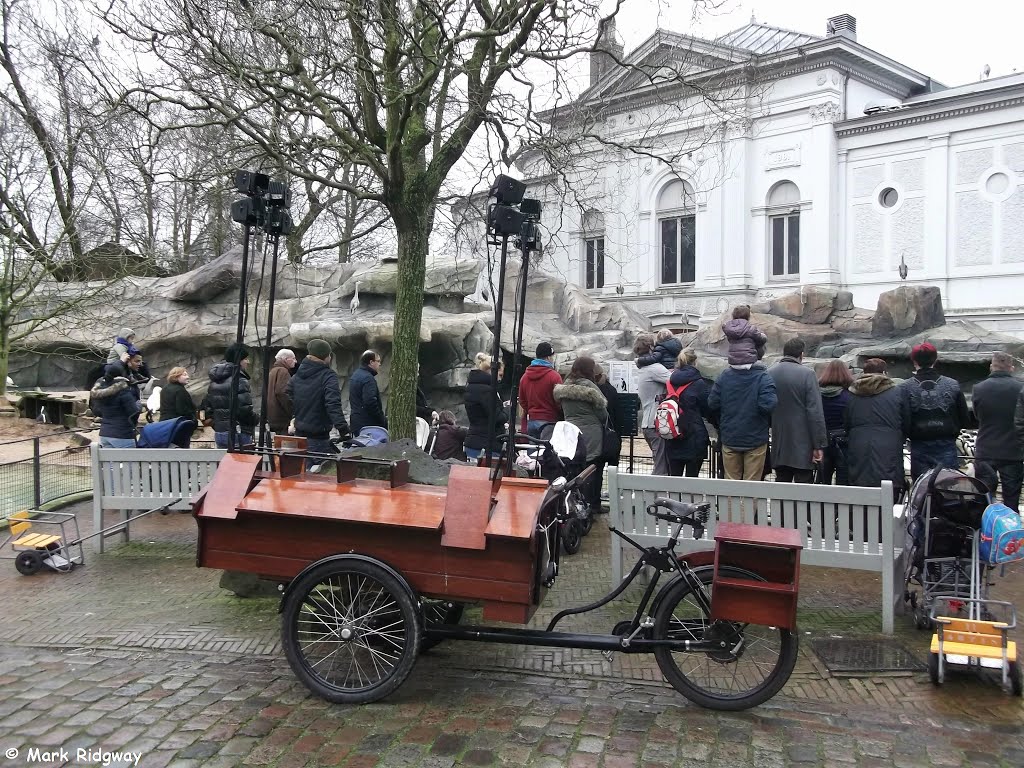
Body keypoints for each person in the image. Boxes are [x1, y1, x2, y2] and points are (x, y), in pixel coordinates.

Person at [900, 342, 969, 481]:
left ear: (914, 361)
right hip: (946, 441)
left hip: (919, 443)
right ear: (935, 359)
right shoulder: (952, 384)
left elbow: (904, 418)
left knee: (922, 488)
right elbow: (964, 418)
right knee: (948, 488)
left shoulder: (905, 387)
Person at [708, 349, 777, 481]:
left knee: (731, 486)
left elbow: (712, 403)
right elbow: (768, 405)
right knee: (751, 486)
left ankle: (731, 502)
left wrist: (722, 421)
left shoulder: (724, 376)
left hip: (730, 437)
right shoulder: (763, 377)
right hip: (755, 439)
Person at [845, 358, 910, 497]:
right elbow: (907, 421)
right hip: (889, 446)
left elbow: (846, 422)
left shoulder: (850, 393)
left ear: (863, 373)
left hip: (858, 445)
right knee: (889, 487)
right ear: (885, 373)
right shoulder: (897, 392)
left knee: (860, 488)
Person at [553, 356, 609, 513]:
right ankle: (589, 505)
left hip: (570, 433)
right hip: (591, 434)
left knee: (574, 468)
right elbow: (603, 413)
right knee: (591, 469)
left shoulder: (565, 386)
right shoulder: (590, 387)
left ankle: (573, 503)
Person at [768, 338, 826, 483]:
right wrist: (818, 444)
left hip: (779, 441)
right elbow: (815, 412)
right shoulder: (808, 374)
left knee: (781, 486)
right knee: (803, 490)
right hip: (803, 444)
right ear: (801, 354)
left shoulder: (769, 373)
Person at [287, 338, 351, 468]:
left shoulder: (297, 376)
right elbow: (333, 404)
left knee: (302, 473)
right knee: (321, 478)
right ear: (326, 356)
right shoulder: (328, 376)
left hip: (299, 435)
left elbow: (287, 395)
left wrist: (296, 415)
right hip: (318, 436)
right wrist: (344, 430)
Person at [972, 351, 1024, 511]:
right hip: (1013, 451)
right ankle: (1011, 533)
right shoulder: (1020, 388)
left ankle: (984, 533)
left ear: (991, 367)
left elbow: (977, 415)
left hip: (986, 449)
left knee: (984, 499)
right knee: (1012, 500)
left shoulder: (979, 388)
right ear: (1011, 368)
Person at [663, 348, 710, 477]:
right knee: (692, 480)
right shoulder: (699, 383)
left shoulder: (669, 383)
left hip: (673, 435)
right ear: (695, 362)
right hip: (694, 436)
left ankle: (674, 497)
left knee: (674, 478)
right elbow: (708, 408)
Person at [201, 343, 257, 449]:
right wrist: (256, 419)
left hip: (220, 433)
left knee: (224, 464)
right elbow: (244, 410)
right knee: (242, 464)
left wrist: (218, 425)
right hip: (238, 432)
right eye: (245, 359)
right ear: (239, 360)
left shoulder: (214, 381)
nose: (248, 362)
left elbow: (208, 409)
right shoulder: (240, 380)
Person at [634, 333, 672, 475]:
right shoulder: (654, 368)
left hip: (648, 423)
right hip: (656, 423)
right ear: (652, 347)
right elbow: (675, 379)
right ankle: (656, 495)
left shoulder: (643, 368)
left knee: (660, 462)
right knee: (661, 467)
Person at [817, 359, 854, 486]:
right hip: (843, 442)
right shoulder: (848, 396)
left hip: (823, 441)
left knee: (823, 480)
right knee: (843, 482)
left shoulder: (818, 395)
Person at [464, 353, 506, 462]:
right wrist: (507, 410)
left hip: (474, 440)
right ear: (492, 371)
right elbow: (497, 417)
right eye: (500, 375)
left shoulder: (471, 387)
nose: (500, 380)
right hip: (487, 443)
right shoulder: (487, 391)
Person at [90, 361, 141, 448]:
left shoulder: (99, 390)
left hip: (104, 434)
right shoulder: (123, 390)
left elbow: (96, 411)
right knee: (129, 461)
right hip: (122, 433)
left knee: (110, 461)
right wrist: (138, 405)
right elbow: (133, 412)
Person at [518, 342, 562, 437]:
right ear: (548, 357)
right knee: (547, 451)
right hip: (549, 421)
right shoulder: (554, 376)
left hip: (532, 421)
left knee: (533, 451)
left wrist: (532, 410)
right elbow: (559, 401)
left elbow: (522, 400)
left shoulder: (525, 377)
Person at [349, 349, 387, 435]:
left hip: (357, 422)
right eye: (378, 361)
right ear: (371, 362)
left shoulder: (356, 375)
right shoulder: (368, 379)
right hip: (369, 425)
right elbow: (370, 402)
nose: (380, 364)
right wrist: (381, 420)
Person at [267, 349, 297, 435]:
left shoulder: (273, 371)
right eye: (293, 358)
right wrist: (292, 410)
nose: (295, 361)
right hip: (282, 417)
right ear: (285, 359)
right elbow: (282, 392)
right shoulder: (283, 371)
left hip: (273, 416)